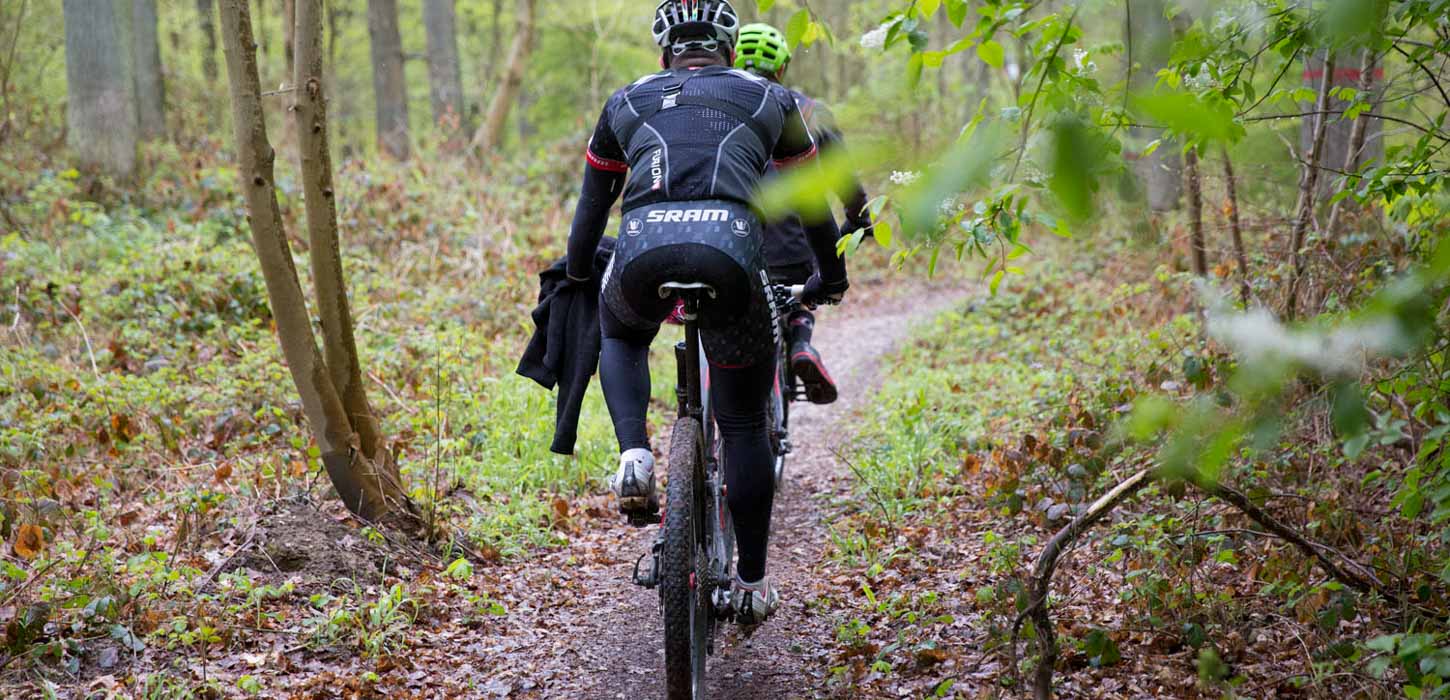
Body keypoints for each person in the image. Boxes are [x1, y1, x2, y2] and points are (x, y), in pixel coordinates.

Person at [564, 0, 848, 623]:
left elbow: (591, 208)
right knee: (743, 423)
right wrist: (831, 274)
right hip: (733, 257)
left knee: (621, 330)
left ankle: (634, 453)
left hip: (641, 252)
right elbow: (812, 208)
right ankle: (750, 582)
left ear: (664, 50)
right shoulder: (774, 101)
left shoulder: (624, 100)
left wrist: (580, 272)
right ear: (727, 44)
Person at [734, 22, 873, 405]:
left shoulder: (718, 106)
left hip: (725, 237)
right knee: (807, 278)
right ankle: (800, 341)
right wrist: (860, 218)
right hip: (792, 242)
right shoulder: (810, 111)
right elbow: (845, 180)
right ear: (782, 69)